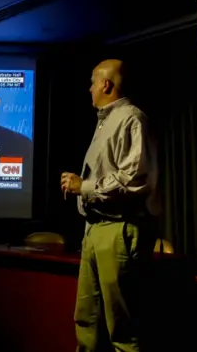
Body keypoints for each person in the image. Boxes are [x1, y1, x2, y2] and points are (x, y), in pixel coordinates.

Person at [61, 59, 160, 352]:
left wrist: (85, 186)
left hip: (119, 230)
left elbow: (135, 179)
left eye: (93, 82)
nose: (89, 89)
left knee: (122, 330)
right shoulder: (105, 121)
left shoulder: (132, 119)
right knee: (87, 322)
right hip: (94, 230)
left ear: (107, 84)